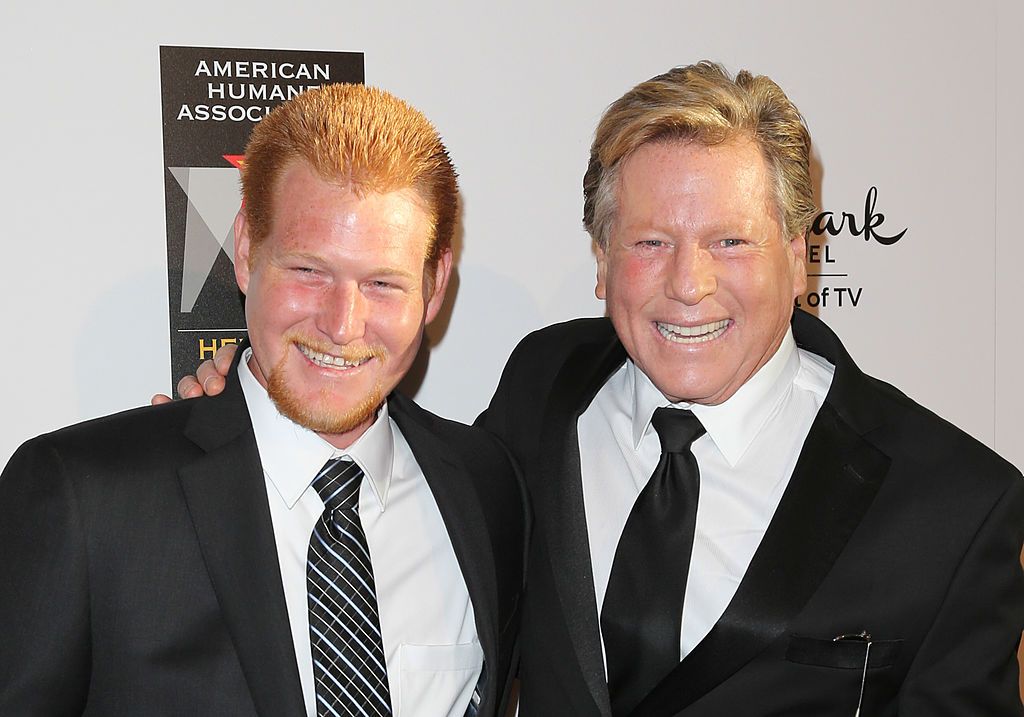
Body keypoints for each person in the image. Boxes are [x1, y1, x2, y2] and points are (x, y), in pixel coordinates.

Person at [176, 62, 1024, 715]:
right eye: (650, 241)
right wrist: (259, 406)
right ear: (600, 258)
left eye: (731, 240)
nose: (688, 285)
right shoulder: (540, 392)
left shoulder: (953, 505)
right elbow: (400, 492)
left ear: (802, 255)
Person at [0, 84, 526, 717]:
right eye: (309, 271)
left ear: (435, 286)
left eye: (383, 283)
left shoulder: (488, 487)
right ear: (246, 251)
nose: (343, 323)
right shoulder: (86, 497)